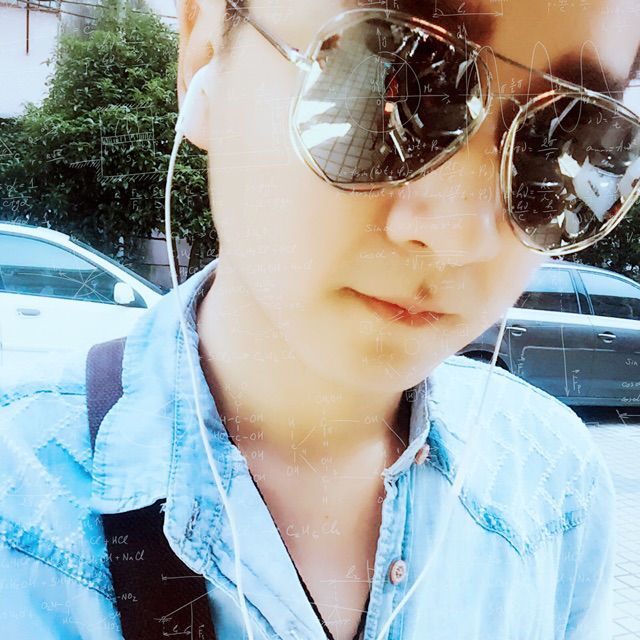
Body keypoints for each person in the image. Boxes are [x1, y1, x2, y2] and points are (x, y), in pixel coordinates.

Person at [1, 0, 639, 638]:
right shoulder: (19, 511)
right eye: (384, 87)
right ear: (205, 52)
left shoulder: (554, 490)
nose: (459, 235)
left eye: (569, 143)